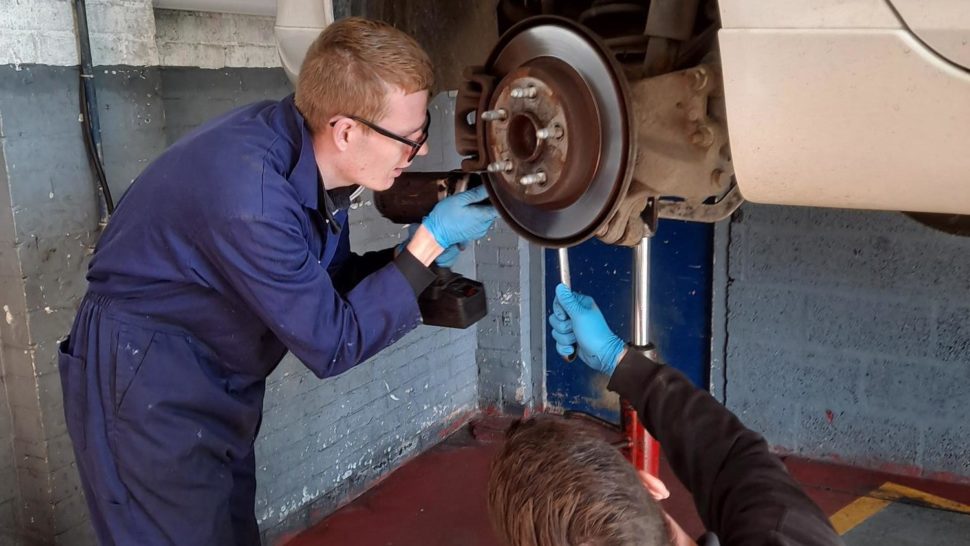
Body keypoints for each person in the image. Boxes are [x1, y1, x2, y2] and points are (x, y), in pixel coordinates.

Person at [57, 17, 497, 546]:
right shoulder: (254, 197)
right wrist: (427, 241)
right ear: (347, 130)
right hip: (145, 376)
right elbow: (332, 342)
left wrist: (413, 257)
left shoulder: (307, 161)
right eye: (410, 137)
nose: (420, 151)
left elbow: (323, 282)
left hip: (211, 372)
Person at [487, 284, 844, 546]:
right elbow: (733, 461)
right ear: (650, 486)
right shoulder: (787, 534)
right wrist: (619, 360)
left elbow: (735, 462)